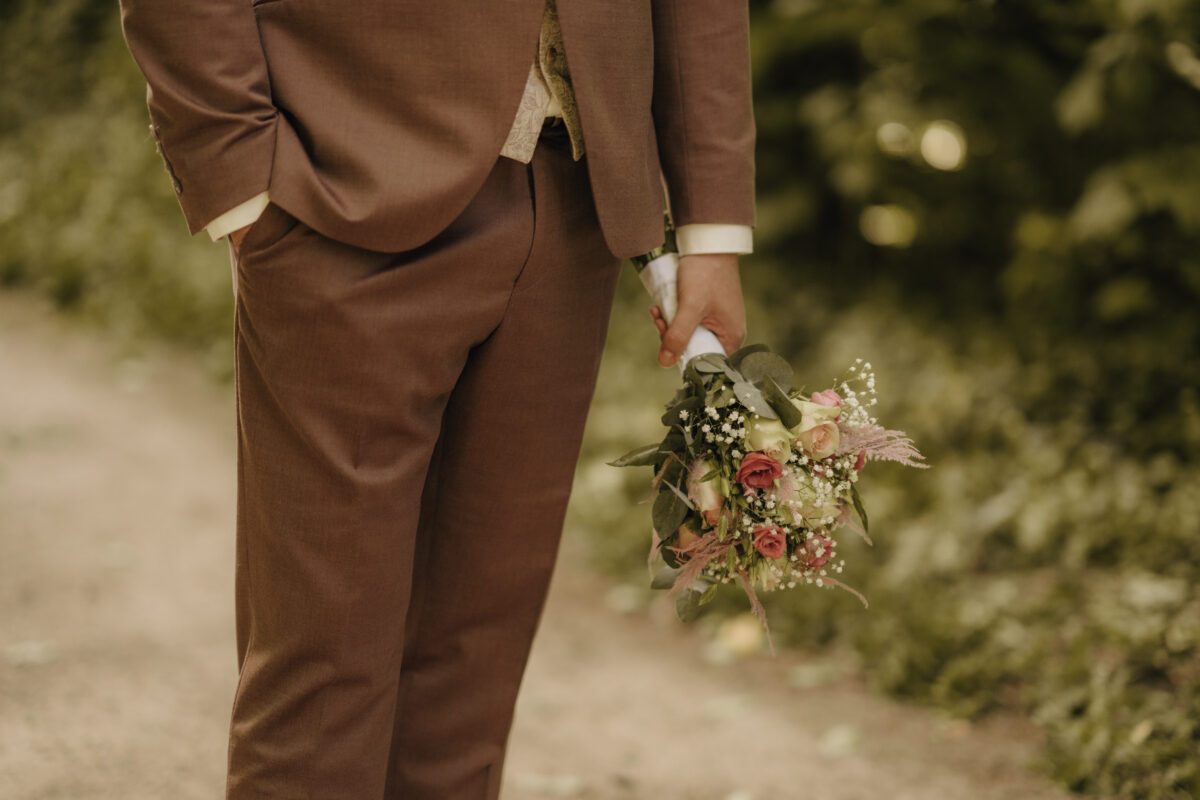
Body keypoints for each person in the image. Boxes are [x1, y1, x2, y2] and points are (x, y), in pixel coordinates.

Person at [117, 1, 756, 797]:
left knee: (475, 662)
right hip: (341, 186)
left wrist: (712, 225)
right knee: (323, 664)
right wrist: (239, 177)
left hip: (577, 198)